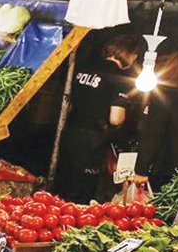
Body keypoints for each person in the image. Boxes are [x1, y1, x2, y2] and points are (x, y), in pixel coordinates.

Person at [55, 34, 143, 202]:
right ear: (129, 54)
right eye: (134, 56)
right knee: (81, 193)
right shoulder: (120, 78)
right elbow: (115, 118)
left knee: (65, 185)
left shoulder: (85, 68)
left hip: (70, 132)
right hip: (92, 141)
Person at [132, 40, 178, 190]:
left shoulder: (168, 91)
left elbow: (154, 131)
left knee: (164, 211)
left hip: (167, 168)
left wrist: (141, 169)